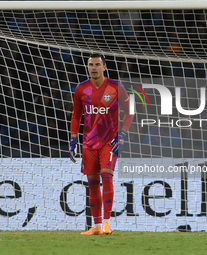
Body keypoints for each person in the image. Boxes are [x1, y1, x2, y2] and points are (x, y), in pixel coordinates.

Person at [70, 53, 134, 235]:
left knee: (107, 177)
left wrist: (122, 134)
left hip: (109, 142)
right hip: (89, 143)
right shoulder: (81, 89)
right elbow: (76, 115)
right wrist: (73, 138)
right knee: (91, 183)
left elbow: (130, 112)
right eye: (91, 65)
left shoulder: (115, 87)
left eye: (97, 64)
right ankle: (96, 226)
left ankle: (107, 223)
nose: (94, 68)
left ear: (104, 67)